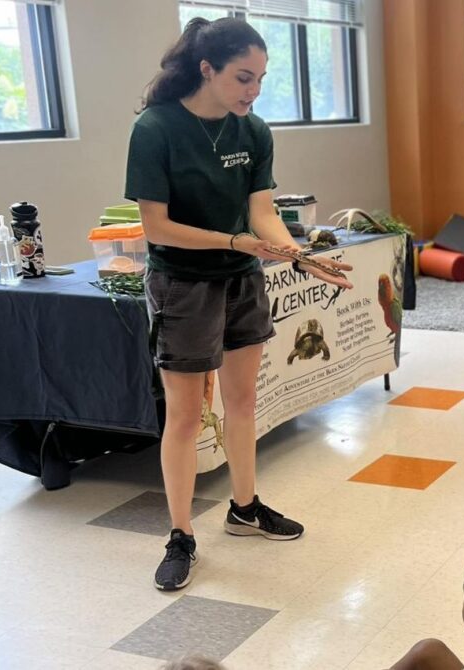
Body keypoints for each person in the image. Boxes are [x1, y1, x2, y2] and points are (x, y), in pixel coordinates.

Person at [126, 17, 353, 590]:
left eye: (260, 79)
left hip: (242, 277)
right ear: (207, 69)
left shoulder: (253, 131)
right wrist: (233, 241)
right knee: (183, 416)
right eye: (243, 77)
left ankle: (244, 509)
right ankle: (181, 535)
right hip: (183, 283)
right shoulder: (156, 128)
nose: (253, 91)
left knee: (243, 401)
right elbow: (156, 227)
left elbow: (261, 211)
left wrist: (297, 253)